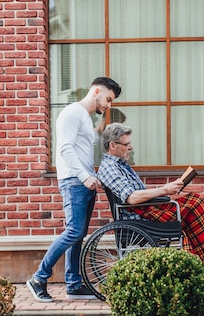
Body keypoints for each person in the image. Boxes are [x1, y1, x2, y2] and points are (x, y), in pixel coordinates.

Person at [27, 77, 122, 303]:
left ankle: (74, 284)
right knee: (74, 232)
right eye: (108, 99)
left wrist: (93, 176)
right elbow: (65, 149)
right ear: (96, 91)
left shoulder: (85, 118)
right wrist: (84, 176)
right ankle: (38, 278)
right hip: (74, 181)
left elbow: (79, 152)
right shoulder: (72, 112)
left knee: (78, 236)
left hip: (84, 182)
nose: (108, 105)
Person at [97, 122, 204, 275]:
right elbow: (131, 197)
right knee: (194, 203)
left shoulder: (121, 165)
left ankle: (203, 264)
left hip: (145, 210)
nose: (130, 148)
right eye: (127, 144)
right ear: (113, 145)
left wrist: (168, 189)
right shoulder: (109, 167)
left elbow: (139, 194)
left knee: (195, 201)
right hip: (137, 216)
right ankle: (203, 265)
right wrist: (165, 190)